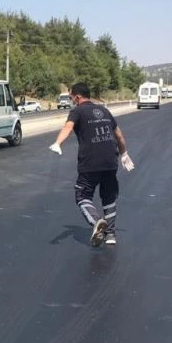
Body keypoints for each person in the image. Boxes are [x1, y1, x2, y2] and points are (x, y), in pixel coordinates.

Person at [49, 82, 134, 246]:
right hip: (110, 161)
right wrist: (124, 153)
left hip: (91, 161)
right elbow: (119, 135)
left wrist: (58, 143)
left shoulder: (77, 111)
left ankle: (97, 221)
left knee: (82, 196)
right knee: (109, 196)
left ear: (77, 97)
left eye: (71, 97)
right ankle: (110, 235)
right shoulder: (104, 110)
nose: (72, 101)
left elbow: (68, 127)